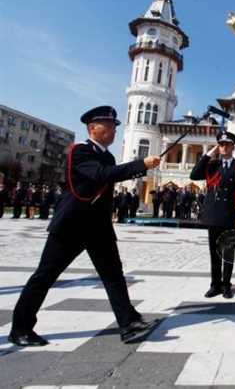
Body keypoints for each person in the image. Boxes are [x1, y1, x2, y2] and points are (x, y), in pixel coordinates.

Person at [9, 105, 161, 347]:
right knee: (45, 275)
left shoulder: (108, 157)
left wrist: (140, 167)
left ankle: (128, 322)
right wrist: (140, 164)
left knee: (113, 274)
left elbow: (110, 175)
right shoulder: (80, 151)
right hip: (72, 225)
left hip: (98, 227)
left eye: (114, 126)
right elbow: (101, 175)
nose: (113, 130)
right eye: (108, 126)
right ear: (92, 128)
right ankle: (20, 328)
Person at [190, 131, 235, 299]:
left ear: (233, 147)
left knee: (228, 254)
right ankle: (215, 285)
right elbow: (194, 175)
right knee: (215, 253)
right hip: (213, 216)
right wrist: (208, 154)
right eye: (221, 144)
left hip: (230, 215)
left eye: (227, 144)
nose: (224, 147)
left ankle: (226, 285)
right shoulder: (212, 165)